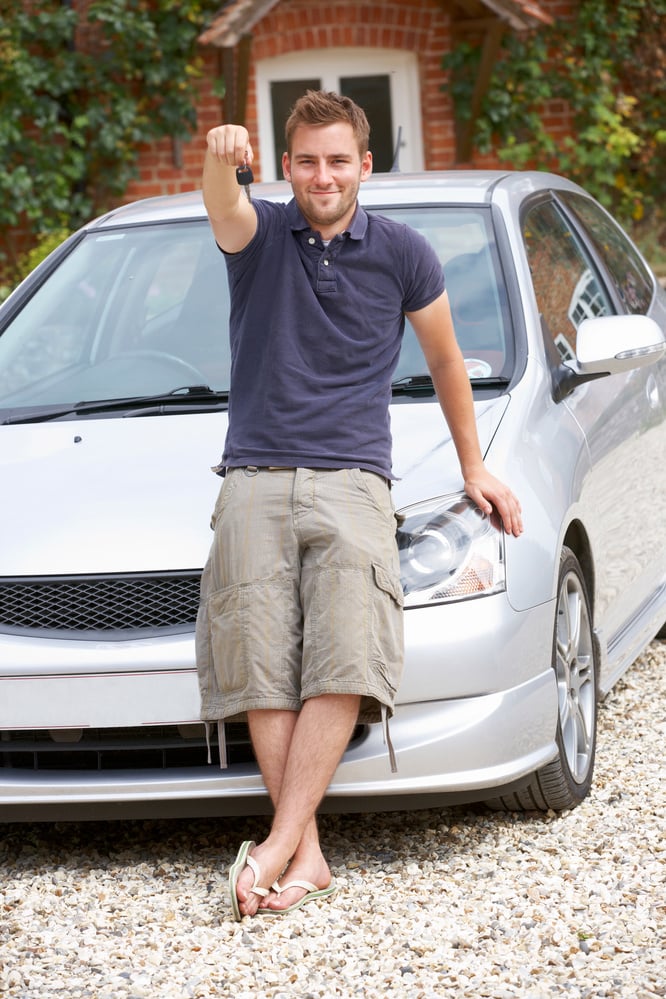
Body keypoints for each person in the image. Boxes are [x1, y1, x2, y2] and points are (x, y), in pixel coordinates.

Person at [196, 90, 523, 920]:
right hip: (255, 475)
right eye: (306, 159)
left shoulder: (405, 253)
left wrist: (473, 465)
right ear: (286, 164)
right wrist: (216, 154)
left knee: (345, 656)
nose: (322, 175)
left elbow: (448, 362)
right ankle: (304, 853)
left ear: (365, 165)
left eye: (338, 159)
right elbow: (221, 202)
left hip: (353, 478)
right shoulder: (260, 236)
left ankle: (276, 846)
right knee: (261, 665)